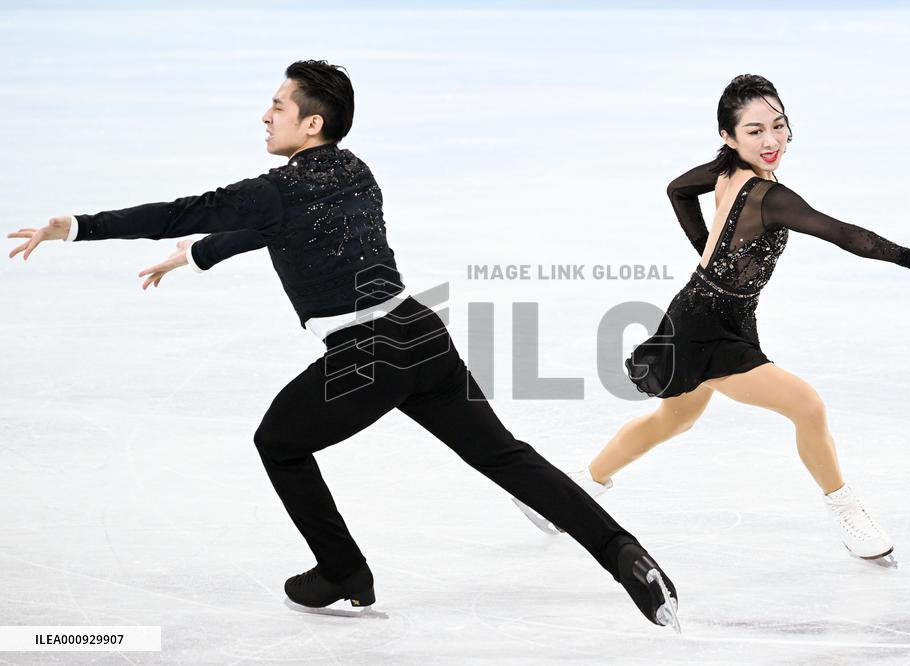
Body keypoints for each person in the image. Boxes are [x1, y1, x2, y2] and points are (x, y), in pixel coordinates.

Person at [7, 60, 681, 630]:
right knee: (506, 458)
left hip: (368, 356)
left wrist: (76, 228)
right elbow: (277, 226)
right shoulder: (355, 171)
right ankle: (627, 556)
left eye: (277, 106)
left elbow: (192, 210)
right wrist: (199, 257)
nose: (265, 115)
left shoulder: (276, 191)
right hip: (423, 336)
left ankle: (343, 569)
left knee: (278, 442)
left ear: (311, 123)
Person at [514, 74, 910, 569]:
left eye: (779, 125)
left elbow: (678, 190)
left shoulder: (724, 169)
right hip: (707, 324)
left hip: (710, 308)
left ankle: (565, 496)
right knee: (808, 406)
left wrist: (708, 253)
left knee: (674, 420)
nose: (771, 140)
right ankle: (847, 512)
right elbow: (838, 232)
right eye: (755, 131)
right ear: (729, 136)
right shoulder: (769, 197)